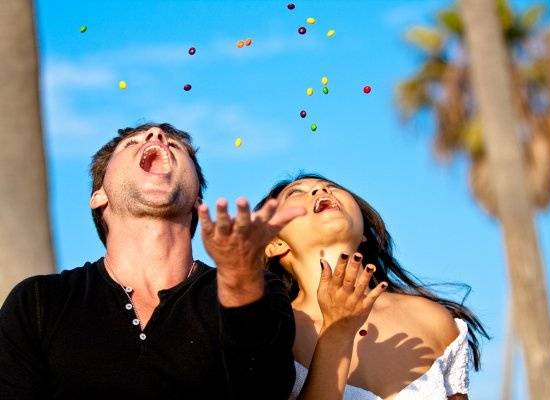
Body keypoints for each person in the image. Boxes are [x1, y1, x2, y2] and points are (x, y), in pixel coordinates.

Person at [0, 123, 306, 399]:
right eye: (131, 143)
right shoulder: (40, 301)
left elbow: (268, 389)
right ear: (99, 195)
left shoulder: (257, 287)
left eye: (175, 145)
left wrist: (239, 276)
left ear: (197, 199)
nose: (156, 135)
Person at [256, 173, 489, 400]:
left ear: (364, 235)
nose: (321, 190)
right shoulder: (273, 330)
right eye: (296, 193)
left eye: (330, 186)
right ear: (274, 243)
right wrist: (337, 333)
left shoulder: (430, 318)